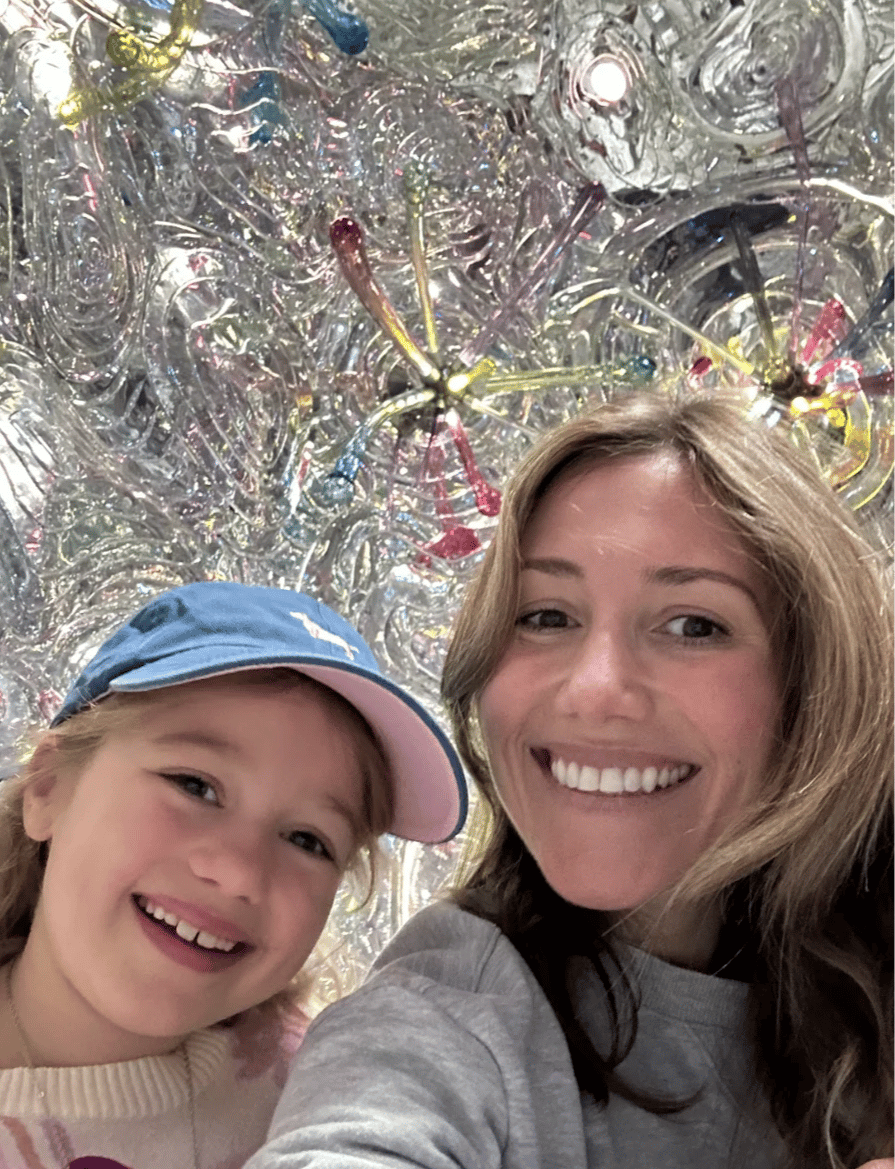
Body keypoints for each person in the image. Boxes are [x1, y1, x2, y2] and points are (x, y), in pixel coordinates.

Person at [248, 392, 894, 1169]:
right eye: (545, 616)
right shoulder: (445, 1010)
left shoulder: (865, 959)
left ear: (815, 680)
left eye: (693, 624)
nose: (593, 689)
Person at [0, 580, 466, 1169]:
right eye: (195, 786)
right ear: (48, 789)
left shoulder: (327, 1095)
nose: (241, 872)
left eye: (308, 840)